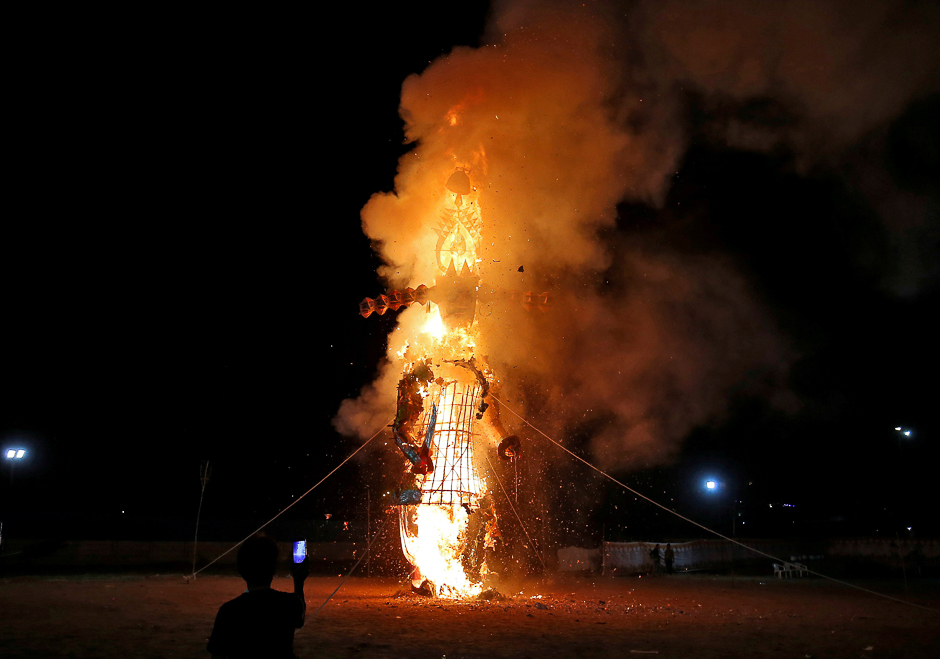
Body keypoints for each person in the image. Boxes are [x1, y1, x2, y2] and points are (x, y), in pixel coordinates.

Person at [207, 535, 308, 658]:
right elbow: (299, 618)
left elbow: (217, 653)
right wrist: (298, 581)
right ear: (274, 567)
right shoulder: (289, 603)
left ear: (241, 569)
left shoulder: (229, 611)